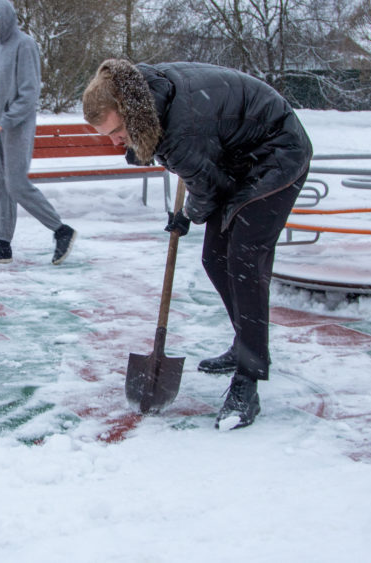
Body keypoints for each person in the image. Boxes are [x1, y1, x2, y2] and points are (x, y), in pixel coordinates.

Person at [82, 59, 312, 428]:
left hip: (278, 154)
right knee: (214, 258)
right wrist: (188, 204)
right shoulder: (146, 95)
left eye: (117, 131)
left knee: (243, 259)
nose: (114, 141)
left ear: (132, 113)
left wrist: (188, 213)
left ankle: (248, 379)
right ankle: (245, 342)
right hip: (234, 155)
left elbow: (209, 187)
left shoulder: (179, 133)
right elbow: (203, 170)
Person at [0, 0, 76, 265]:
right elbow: (2, 94)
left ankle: (61, 230)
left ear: (7, 16)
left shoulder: (25, 44)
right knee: (2, 186)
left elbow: (28, 94)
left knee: (16, 184)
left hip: (17, 127)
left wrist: (5, 121)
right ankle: (3, 245)